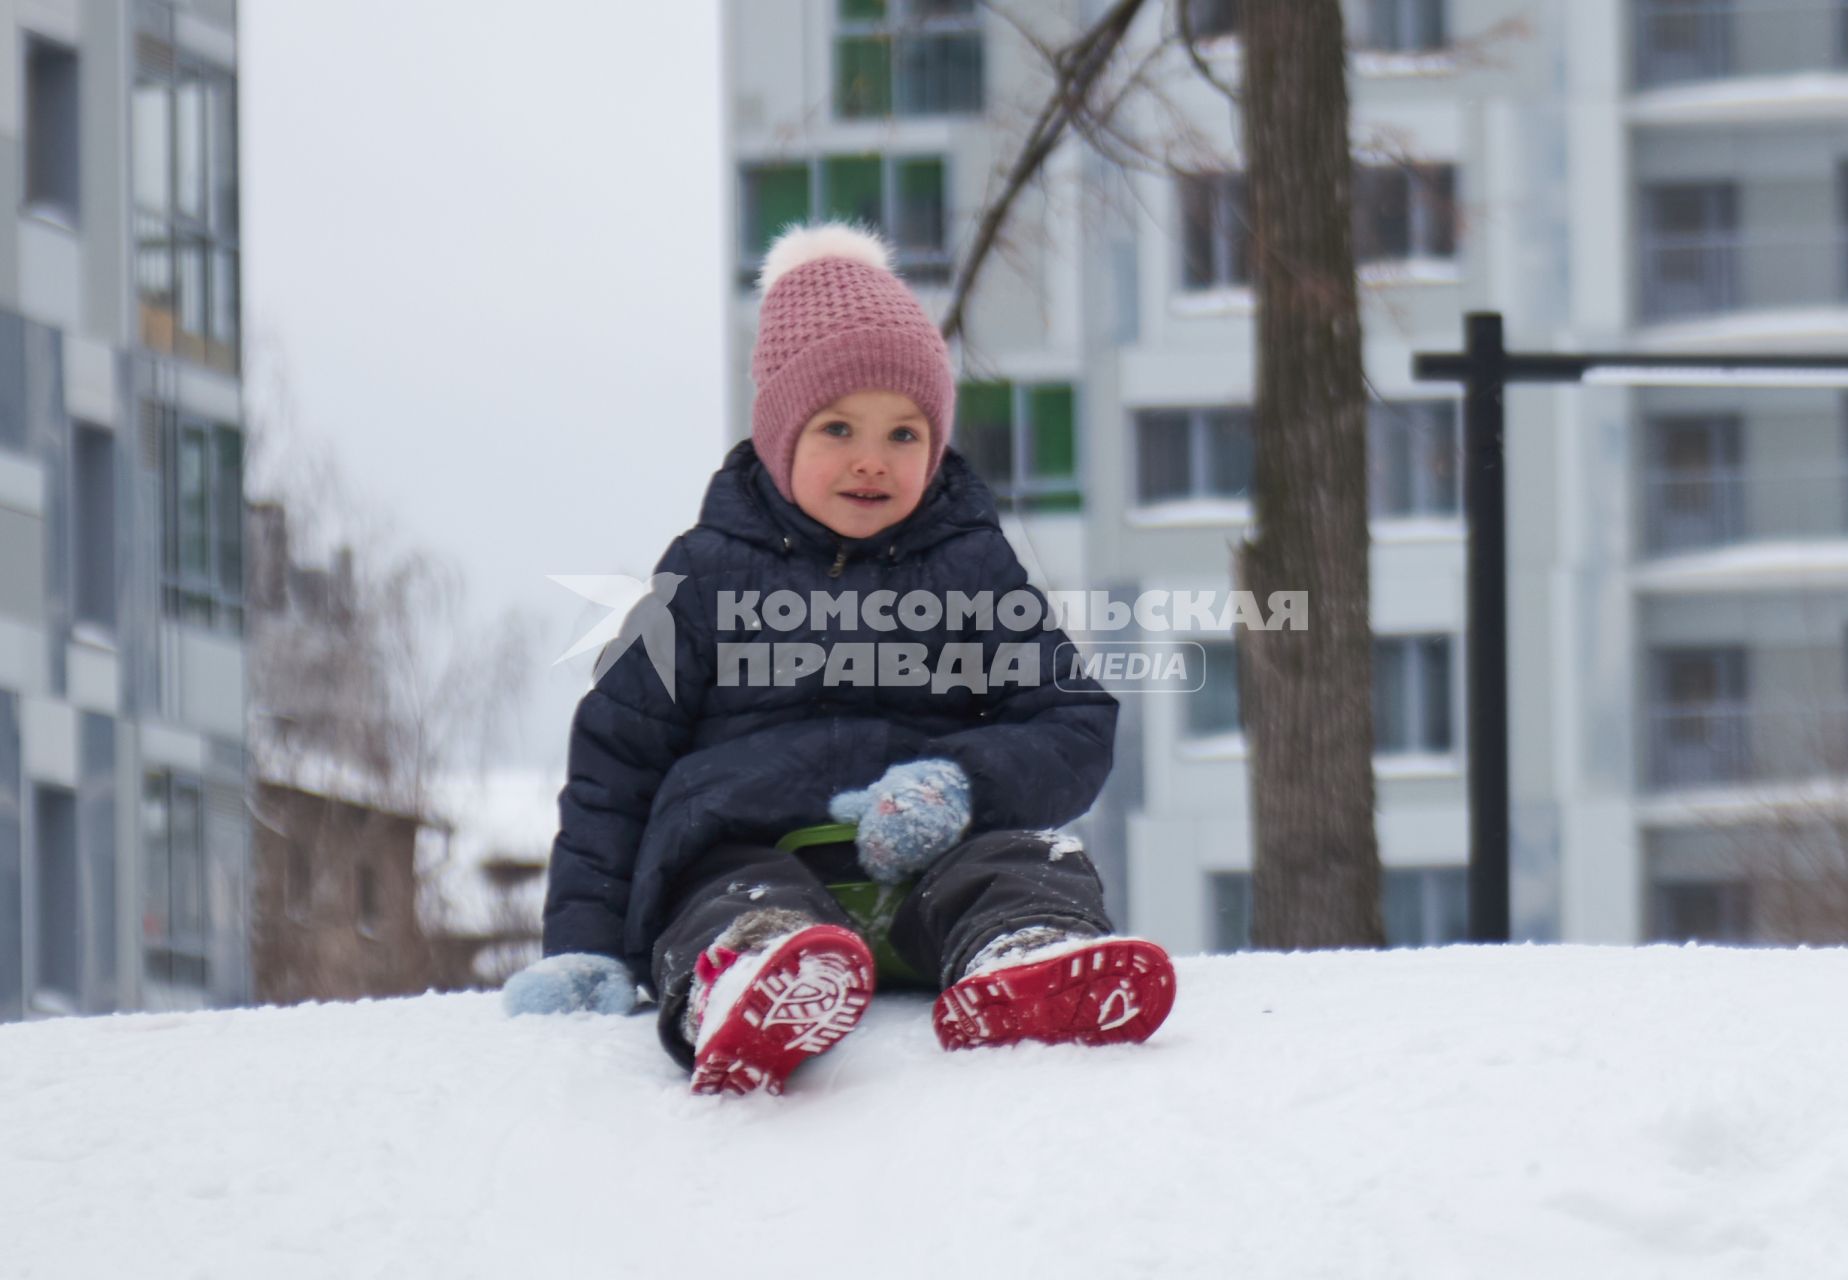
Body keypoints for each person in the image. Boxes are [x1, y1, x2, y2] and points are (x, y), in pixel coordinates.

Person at [503, 222, 1176, 1096]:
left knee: (1030, 862)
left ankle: (1027, 954)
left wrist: (961, 782)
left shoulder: (971, 566)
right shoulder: (702, 575)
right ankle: (755, 975)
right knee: (723, 894)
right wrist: (585, 947)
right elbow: (616, 762)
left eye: (905, 434)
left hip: (930, 865)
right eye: (838, 428)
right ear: (782, 438)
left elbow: (1069, 719)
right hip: (752, 850)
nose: (873, 459)